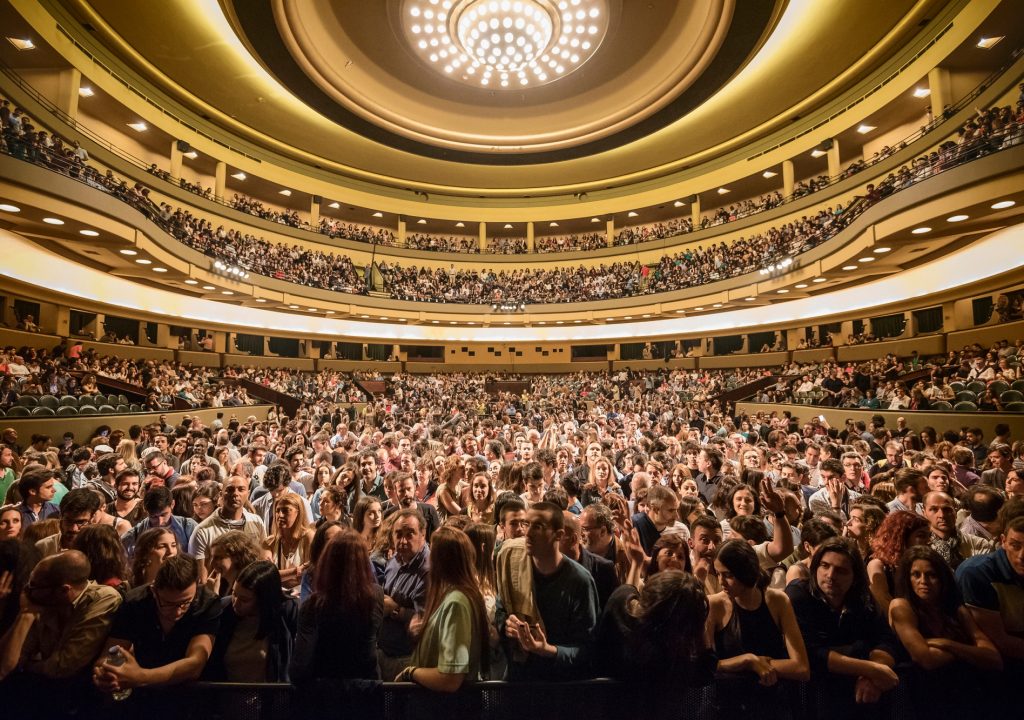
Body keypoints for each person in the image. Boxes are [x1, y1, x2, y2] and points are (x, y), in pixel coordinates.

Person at [0, 551, 122, 718]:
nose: (27, 591)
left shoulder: (103, 599)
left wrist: (28, 666)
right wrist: (25, 615)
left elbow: (62, 666)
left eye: (34, 586)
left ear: (64, 590)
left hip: (82, 699)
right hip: (48, 694)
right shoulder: (42, 601)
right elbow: (7, 663)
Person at [786, 538, 899, 717]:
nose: (830, 575)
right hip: (814, 694)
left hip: (858, 693)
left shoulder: (862, 598)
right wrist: (870, 669)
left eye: (840, 570)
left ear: (854, 577)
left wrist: (872, 675)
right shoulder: (799, 594)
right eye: (825, 566)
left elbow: (886, 639)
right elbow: (811, 653)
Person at [94, 554, 221, 713]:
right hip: (144, 701)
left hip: (190, 699)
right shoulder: (135, 602)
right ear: (154, 590)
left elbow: (195, 664)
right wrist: (105, 673)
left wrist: (140, 677)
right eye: (168, 604)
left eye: (185, 603)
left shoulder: (207, 603)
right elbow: (110, 652)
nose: (177, 612)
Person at [889, 546, 1002, 715]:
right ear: (907, 578)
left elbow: (994, 658)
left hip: (961, 694)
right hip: (919, 697)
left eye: (931, 575)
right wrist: (968, 651)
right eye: (916, 575)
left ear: (942, 579)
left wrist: (946, 643)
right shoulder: (901, 606)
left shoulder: (956, 610)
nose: (923, 581)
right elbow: (925, 659)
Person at [497, 502, 598, 681]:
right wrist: (507, 624)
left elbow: (587, 650)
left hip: (559, 688)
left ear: (558, 535)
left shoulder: (579, 581)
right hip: (519, 681)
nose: (526, 532)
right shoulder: (513, 561)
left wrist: (548, 650)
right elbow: (500, 610)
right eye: (527, 524)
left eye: (538, 526)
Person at [707, 540, 809, 716]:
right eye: (718, 574)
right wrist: (748, 661)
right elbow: (704, 666)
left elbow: (801, 668)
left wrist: (756, 665)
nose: (721, 581)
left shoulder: (777, 601)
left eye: (728, 575)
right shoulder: (715, 605)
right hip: (729, 705)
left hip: (772, 702)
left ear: (746, 572)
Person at [594, 571, 716, 713]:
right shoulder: (667, 657)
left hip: (606, 708)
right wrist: (700, 623)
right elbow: (705, 672)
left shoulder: (621, 598)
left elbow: (630, 591)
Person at [290, 530, 384, 715]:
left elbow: (300, 666)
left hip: (323, 700)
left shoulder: (312, 606)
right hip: (365, 695)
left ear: (327, 563)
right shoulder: (376, 596)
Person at [396, 526, 488, 712]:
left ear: (442, 560)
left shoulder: (456, 602)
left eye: (433, 551)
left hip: (446, 709)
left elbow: (450, 679)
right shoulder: (453, 596)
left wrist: (410, 673)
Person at [205, 560, 298, 682]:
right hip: (228, 696)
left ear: (263, 599)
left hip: (268, 698)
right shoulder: (225, 611)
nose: (235, 603)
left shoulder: (286, 613)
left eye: (244, 600)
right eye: (234, 593)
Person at [955, 514, 1024, 666]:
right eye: (1015, 545)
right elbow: (1000, 642)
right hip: (995, 664)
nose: (1022, 556)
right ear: (1003, 541)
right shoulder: (977, 574)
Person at [379, 508, 430, 681]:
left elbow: (426, 622)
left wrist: (395, 610)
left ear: (422, 534)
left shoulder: (429, 570)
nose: (402, 541)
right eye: (398, 534)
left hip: (410, 660)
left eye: (410, 534)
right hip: (386, 653)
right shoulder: (394, 561)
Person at [188, 475, 266, 582]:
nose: (235, 493)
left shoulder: (257, 522)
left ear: (248, 493)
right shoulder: (203, 531)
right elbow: (201, 579)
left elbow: (263, 561)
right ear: (221, 494)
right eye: (230, 490)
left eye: (241, 489)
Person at [866, 510, 931, 615]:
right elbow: (885, 604)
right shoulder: (878, 565)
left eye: (929, 536)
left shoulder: (920, 564)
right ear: (902, 537)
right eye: (921, 536)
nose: (928, 541)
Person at [120, 486, 197, 559]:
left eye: (163, 515)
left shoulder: (188, 527)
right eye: (154, 517)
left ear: (172, 504)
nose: (160, 522)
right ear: (145, 510)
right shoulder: (131, 537)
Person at [261, 493, 314, 590]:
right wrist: (296, 571)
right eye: (277, 511)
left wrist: (278, 575)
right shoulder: (269, 542)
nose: (280, 515)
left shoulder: (308, 537)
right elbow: (266, 575)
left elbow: (308, 575)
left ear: (298, 512)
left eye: (285, 510)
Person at [383, 472, 440, 540]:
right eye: (401, 491)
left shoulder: (429, 511)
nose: (406, 494)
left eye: (409, 489)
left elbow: (437, 540)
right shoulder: (388, 515)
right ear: (395, 492)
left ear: (415, 487)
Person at [205, 530, 262, 597]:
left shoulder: (248, 587)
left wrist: (213, 594)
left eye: (218, 557)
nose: (211, 563)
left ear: (236, 557)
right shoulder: (221, 583)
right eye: (212, 557)